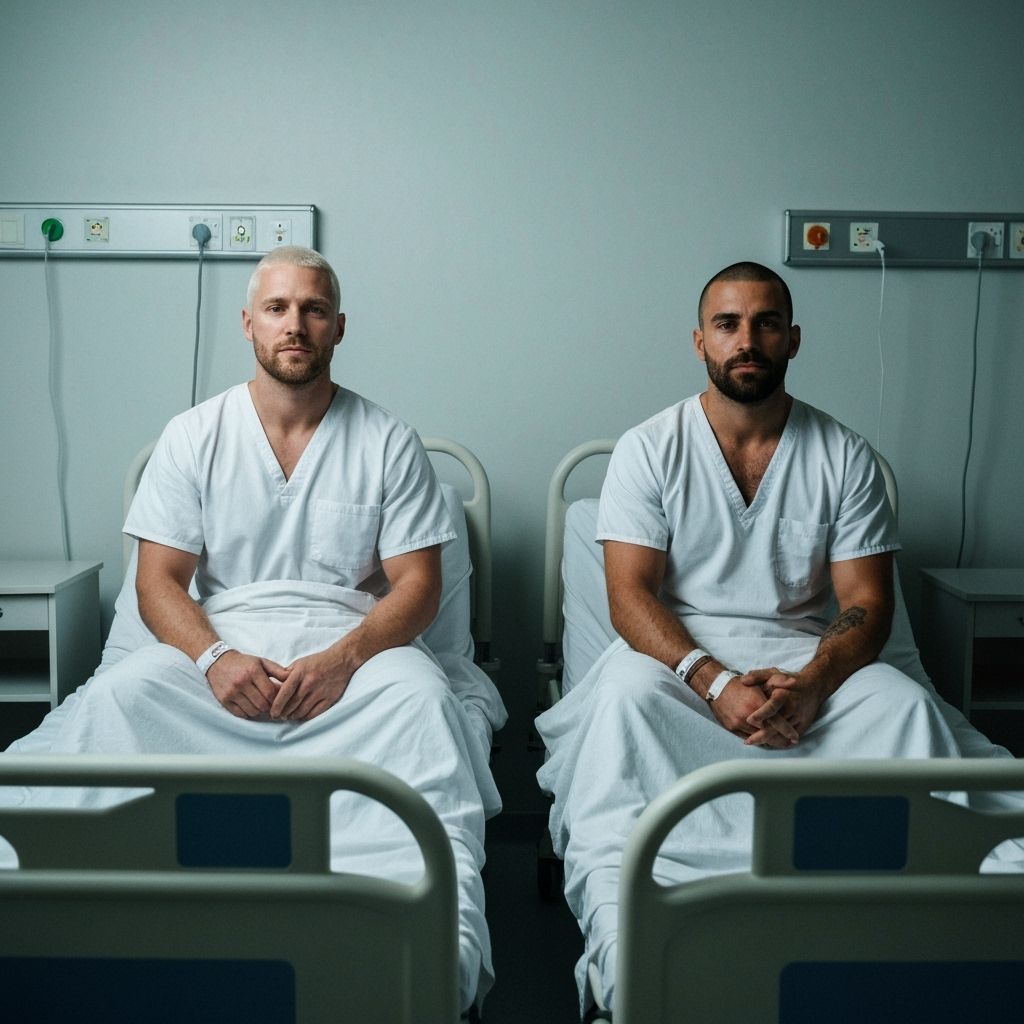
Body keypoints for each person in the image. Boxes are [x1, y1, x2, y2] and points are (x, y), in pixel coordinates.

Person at [6, 246, 501, 1013]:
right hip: (219, 652)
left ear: (339, 326)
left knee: (423, 706)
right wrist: (212, 657)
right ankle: (64, 877)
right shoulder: (194, 436)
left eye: (312, 309)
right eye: (277, 308)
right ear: (248, 324)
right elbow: (157, 582)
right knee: (124, 696)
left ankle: (414, 918)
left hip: (356, 659)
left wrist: (344, 661)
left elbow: (418, 589)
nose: (294, 325)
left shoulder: (387, 441)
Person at [535, 260, 1021, 1012]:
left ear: (793, 339)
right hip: (679, 675)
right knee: (626, 696)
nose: (747, 340)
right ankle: (660, 891)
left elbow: (865, 603)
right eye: (728, 324)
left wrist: (816, 685)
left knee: (901, 704)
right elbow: (628, 599)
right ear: (699, 340)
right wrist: (715, 681)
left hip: (809, 669)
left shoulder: (844, 457)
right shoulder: (649, 449)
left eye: (765, 323)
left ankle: (933, 882)